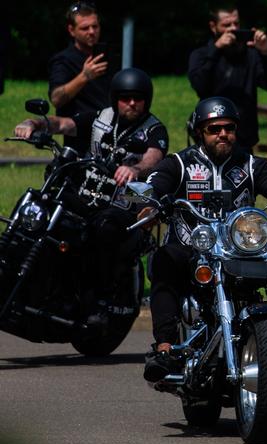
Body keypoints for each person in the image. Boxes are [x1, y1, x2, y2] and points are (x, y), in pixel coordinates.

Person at [142, 96, 267, 382]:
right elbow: (156, 184)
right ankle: (164, 348)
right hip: (192, 248)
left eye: (228, 128)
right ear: (200, 132)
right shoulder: (180, 163)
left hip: (240, 251)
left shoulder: (250, 165)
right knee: (164, 259)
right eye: (214, 129)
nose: (223, 134)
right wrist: (151, 204)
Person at [15, 68, 169, 324]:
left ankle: (101, 298)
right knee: (45, 206)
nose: (132, 103)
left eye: (138, 98)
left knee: (104, 229)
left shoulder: (154, 130)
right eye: (125, 97)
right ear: (115, 98)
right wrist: (34, 124)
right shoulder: (101, 117)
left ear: (147, 100)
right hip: (89, 192)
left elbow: (153, 158)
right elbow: (64, 123)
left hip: (129, 198)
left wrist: (135, 169)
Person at [187, 4, 267, 152]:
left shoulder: (251, 54)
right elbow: (200, 86)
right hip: (210, 134)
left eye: (236, 23)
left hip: (243, 135)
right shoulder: (201, 54)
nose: (233, 28)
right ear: (213, 27)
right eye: (226, 25)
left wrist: (265, 54)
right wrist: (216, 50)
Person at [48, 2, 112, 154]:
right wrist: (84, 76)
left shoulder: (107, 58)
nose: (91, 32)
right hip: (80, 140)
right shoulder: (64, 61)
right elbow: (56, 98)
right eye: (85, 28)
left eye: (95, 26)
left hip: (110, 136)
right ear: (71, 30)